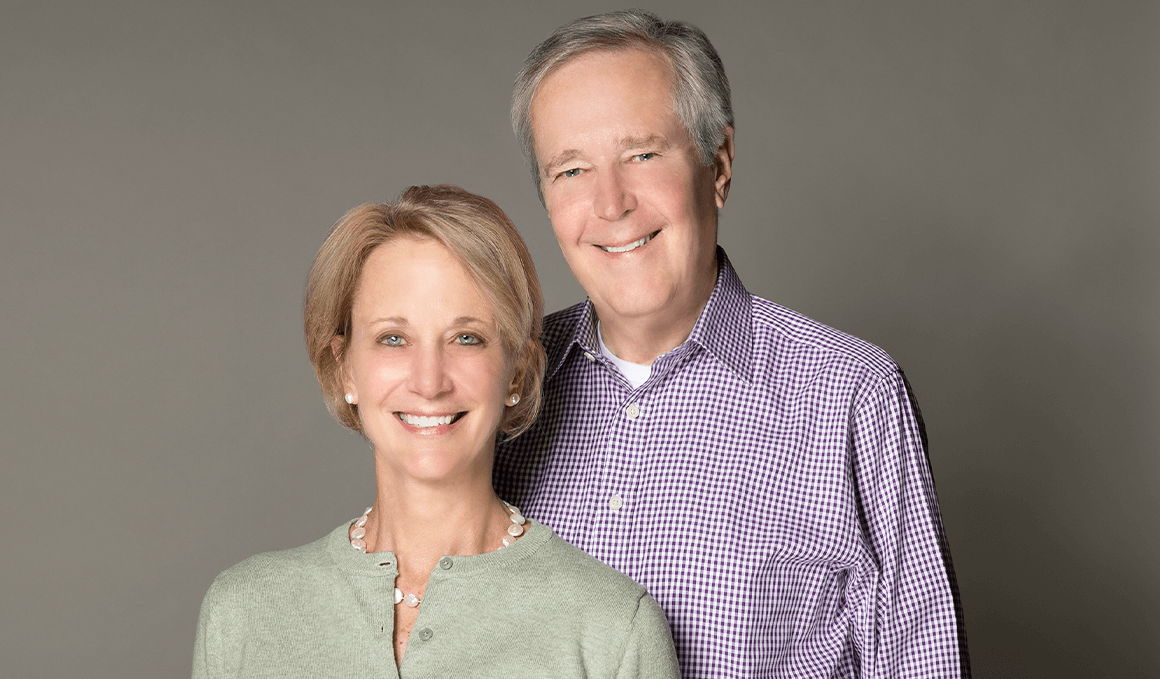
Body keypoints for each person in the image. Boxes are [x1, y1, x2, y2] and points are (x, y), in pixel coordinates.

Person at [494, 10, 969, 678]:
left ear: (717, 164)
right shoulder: (500, 386)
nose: (610, 203)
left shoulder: (850, 394)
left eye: (641, 154)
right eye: (570, 170)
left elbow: (923, 663)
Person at [193, 185, 680, 678]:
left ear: (516, 372)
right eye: (393, 339)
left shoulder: (612, 629)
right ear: (345, 370)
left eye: (466, 338)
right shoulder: (243, 614)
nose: (429, 382)